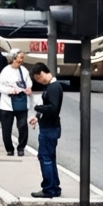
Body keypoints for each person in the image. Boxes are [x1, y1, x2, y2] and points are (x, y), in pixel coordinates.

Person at [28, 62, 63, 198]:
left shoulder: (53, 88)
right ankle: (54, 186)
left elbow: (52, 108)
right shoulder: (53, 86)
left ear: (41, 74)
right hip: (50, 126)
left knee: (45, 157)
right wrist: (38, 117)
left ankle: (48, 188)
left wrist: (38, 108)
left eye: (37, 78)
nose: (38, 81)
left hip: (49, 128)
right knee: (50, 157)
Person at [0, 49, 32, 156]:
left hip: (21, 103)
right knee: (6, 128)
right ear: (14, 58)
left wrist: (28, 89)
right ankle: (9, 149)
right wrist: (10, 90)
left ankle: (21, 147)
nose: (22, 59)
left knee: (22, 126)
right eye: (20, 57)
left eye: (22, 57)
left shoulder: (24, 70)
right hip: (6, 104)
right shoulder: (5, 71)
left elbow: (28, 83)